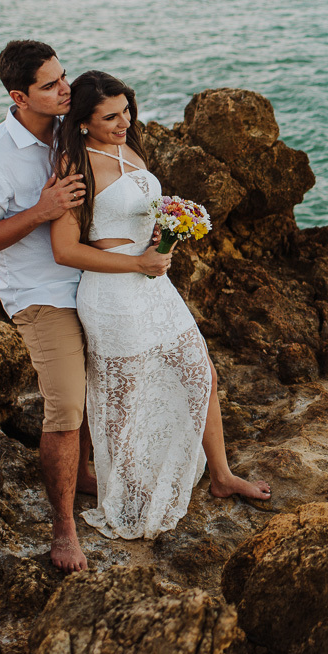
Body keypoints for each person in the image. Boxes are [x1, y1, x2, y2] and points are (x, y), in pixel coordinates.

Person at [50, 70, 271, 540]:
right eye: (110, 116)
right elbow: (65, 250)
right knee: (124, 396)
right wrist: (137, 262)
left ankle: (221, 475)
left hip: (153, 284)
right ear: (84, 121)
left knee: (201, 371)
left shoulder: (129, 146)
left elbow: (136, 208)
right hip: (113, 293)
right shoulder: (75, 165)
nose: (124, 121)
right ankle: (126, 491)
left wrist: (163, 231)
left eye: (127, 109)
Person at [0, 40, 97, 573]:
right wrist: (42, 210)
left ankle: (83, 476)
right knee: (64, 406)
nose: (66, 89)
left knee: (94, 391)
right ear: (19, 96)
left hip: (95, 280)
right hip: (40, 295)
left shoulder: (70, 128)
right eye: (51, 84)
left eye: (64, 77)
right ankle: (64, 532)